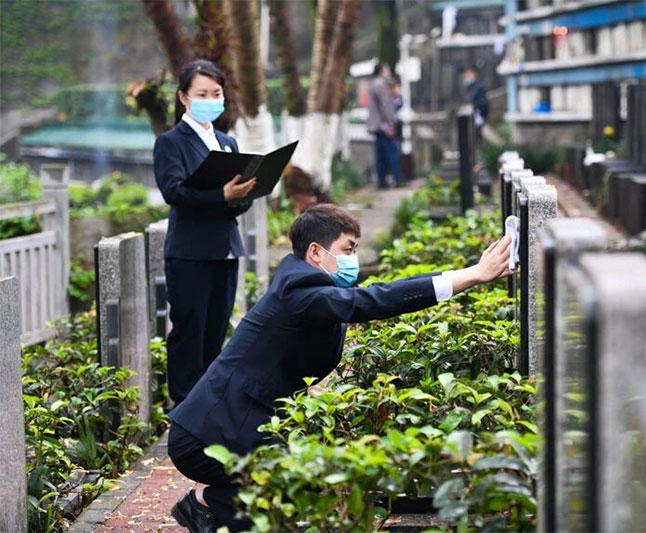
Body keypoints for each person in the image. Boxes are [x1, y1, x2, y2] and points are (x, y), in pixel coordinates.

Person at [167, 204, 514, 532]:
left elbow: (366, 298)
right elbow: (372, 300)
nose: (354, 260)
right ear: (316, 252)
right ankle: (206, 503)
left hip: (235, 427)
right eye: (348, 250)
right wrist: (471, 276)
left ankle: (215, 507)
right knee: (300, 487)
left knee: (305, 489)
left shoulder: (310, 284)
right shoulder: (300, 290)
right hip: (204, 438)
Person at [153, 59, 256, 406]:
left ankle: (208, 407)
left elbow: (242, 201)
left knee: (215, 333)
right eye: (202, 94)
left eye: (216, 93)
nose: (211, 99)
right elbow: (174, 192)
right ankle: (183, 409)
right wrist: (222, 196)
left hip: (225, 250)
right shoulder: (171, 142)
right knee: (189, 333)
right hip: (190, 253)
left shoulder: (227, 142)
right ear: (183, 98)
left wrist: (240, 197)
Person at [367, 62, 403, 189]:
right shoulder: (381, 84)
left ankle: (382, 181)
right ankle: (397, 179)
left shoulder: (373, 84)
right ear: (382, 70)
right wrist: (389, 124)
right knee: (391, 154)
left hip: (377, 126)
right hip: (383, 126)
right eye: (386, 69)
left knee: (380, 155)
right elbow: (385, 106)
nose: (388, 71)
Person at [461, 65, 489, 139]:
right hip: (469, 120)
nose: (466, 76)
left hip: (477, 120)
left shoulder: (479, 87)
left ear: (475, 74)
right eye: (465, 74)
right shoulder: (470, 88)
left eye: (469, 74)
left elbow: (483, 104)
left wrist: (479, 115)